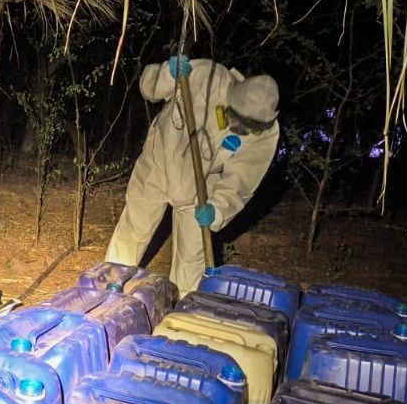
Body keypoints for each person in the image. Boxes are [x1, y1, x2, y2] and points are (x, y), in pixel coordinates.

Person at [106, 54, 279, 298]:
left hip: (202, 188)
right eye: (237, 117)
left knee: (192, 256)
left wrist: (217, 209)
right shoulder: (205, 75)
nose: (240, 127)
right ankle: (107, 288)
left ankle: (182, 309)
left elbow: (241, 180)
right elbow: (149, 88)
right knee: (133, 231)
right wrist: (167, 74)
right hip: (159, 164)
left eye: (248, 125)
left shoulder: (265, 136)